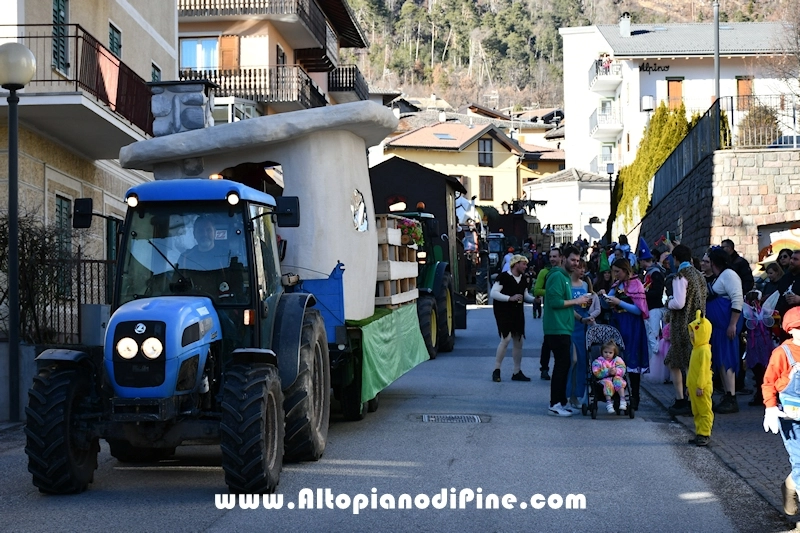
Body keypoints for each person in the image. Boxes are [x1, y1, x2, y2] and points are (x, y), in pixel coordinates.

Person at [544, 246, 593, 416]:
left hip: (564, 327)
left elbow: (565, 305)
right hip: (557, 328)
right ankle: (555, 404)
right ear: (563, 258)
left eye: (578, 260)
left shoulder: (564, 276)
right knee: (562, 366)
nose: (576, 263)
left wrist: (580, 317)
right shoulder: (557, 276)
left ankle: (562, 402)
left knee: (565, 365)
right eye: (572, 260)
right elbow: (555, 302)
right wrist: (577, 301)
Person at [762, 306, 800, 516]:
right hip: (790, 418)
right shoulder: (781, 353)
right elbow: (768, 382)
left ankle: (789, 485)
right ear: (790, 330)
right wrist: (770, 407)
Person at [600, 258, 649, 410]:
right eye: (613, 271)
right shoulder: (617, 285)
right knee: (615, 359)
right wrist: (604, 297)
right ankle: (617, 395)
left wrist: (619, 302)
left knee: (632, 359)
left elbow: (638, 310)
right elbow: (607, 303)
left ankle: (634, 397)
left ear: (625, 270)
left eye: (617, 271)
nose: (615, 275)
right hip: (618, 324)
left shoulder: (636, 284)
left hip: (632, 325)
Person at [665, 244, 708, 417]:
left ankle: (681, 399)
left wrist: (668, 301)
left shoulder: (680, 276)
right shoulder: (699, 275)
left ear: (675, 259)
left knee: (675, 362)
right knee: (692, 362)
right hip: (699, 324)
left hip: (683, 325)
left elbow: (679, 303)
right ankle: (693, 400)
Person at [705, 248, 744, 414]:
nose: (704, 263)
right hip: (719, 327)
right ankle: (728, 394)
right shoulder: (720, 276)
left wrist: (732, 324)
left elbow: (737, 299)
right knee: (721, 360)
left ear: (714, 262)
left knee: (727, 359)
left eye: (707, 261)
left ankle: (731, 397)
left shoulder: (729, 275)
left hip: (726, 325)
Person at [491, 255, 535, 382]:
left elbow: (524, 296)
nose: (525, 267)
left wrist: (535, 300)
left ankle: (517, 371)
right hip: (503, 312)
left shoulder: (523, 279)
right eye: (523, 264)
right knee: (505, 339)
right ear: (516, 264)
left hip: (517, 312)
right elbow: (494, 293)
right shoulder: (504, 277)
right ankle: (496, 369)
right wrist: (509, 298)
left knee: (518, 341)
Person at [566, 259, 600, 409]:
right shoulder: (566, 283)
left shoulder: (585, 285)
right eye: (579, 268)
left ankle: (576, 395)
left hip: (583, 325)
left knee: (581, 361)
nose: (582, 271)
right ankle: (566, 394)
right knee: (571, 360)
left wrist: (589, 311)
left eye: (583, 268)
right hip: (571, 323)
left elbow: (589, 306)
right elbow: (567, 306)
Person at [639, 238, 667, 383]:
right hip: (651, 309)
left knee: (653, 339)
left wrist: (642, 294)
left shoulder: (655, 274)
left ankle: (656, 369)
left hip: (654, 309)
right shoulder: (650, 273)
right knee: (651, 338)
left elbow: (657, 292)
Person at [535, 247, 563, 380]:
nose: (552, 259)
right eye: (550, 256)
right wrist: (553, 292)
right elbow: (537, 290)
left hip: (565, 313)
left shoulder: (564, 273)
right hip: (550, 312)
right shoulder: (544, 272)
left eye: (555, 256)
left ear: (561, 258)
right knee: (548, 342)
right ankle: (544, 368)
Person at [686, 309, 714, 447]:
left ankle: (704, 433)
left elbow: (704, 370)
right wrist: (688, 386)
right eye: (691, 331)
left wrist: (700, 386)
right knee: (696, 410)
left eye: (695, 330)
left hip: (701, 387)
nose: (691, 334)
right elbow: (692, 370)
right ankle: (699, 432)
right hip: (694, 386)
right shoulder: (696, 349)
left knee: (704, 410)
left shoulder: (704, 350)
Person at [592, 340, 628, 414]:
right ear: (602, 352)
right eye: (605, 352)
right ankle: (609, 403)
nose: (607, 354)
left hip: (616, 378)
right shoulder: (598, 361)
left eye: (610, 353)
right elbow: (596, 372)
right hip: (604, 380)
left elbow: (622, 369)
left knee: (618, 381)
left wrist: (616, 371)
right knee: (608, 383)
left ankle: (622, 400)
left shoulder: (617, 360)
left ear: (614, 353)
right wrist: (607, 371)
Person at [777, 250, 800, 320]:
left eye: (795, 259)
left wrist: (799, 299)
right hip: (785, 319)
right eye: (791, 258)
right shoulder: (785, 278)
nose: (791, 261)